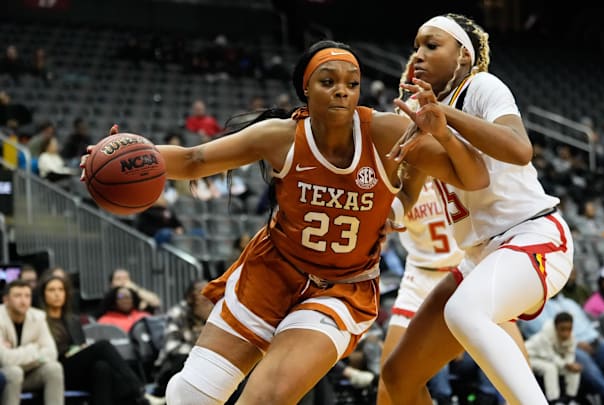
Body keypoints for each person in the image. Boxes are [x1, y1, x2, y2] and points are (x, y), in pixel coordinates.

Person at [81, 39, 487, 404]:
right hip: (271, 273)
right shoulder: (280, 136)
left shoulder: (385, 131)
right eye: (328, 81)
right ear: (306, 90)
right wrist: (121, 153)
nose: (343, 90)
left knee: (265, 399)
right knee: (190, 395)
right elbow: (193, 160)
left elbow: (473, 177)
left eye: (352, 81)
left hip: (340, 290)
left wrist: (445, 138)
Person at [379, 13, 574, 405]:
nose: (417, 55)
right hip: (478, 255)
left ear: (464, 58)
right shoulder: (418, 114)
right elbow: (409, 195)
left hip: (532, 234)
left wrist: (446, 117)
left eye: (431, 46)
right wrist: (385, 218)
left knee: (464, 312)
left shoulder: (480, 86)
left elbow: (520, 150)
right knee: (398, 378)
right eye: (415, 46)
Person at [376, 176, 466, 405]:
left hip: (466, 272)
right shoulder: (396, 175)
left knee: (515, 372)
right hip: (419, 276)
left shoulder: (456, 165)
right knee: (389, 386)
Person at [38, 274, 152, 405]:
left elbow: (80, 344)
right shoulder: (39, 319)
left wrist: (80, 349)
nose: (57, 294)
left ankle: (134, 394)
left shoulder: (73, 320)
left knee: (101, 368)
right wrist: (72, 350)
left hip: (77, 369)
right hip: (55, 369)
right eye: (51, 290)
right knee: (103, 346)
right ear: (43, 294)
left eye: (60, 289)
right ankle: (139, 391)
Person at [519, 292, 604, 404]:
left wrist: (598, 341)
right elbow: (548, 337)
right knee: (581, 358)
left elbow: (588, 325)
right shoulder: (534, 308)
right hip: (566, 349)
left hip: (594, 342)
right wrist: (576, 343)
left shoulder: (570, 303)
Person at [0, 280, 64, 404]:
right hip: (5, 375)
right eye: (18, 296)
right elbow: (4, 360)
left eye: (27, 296)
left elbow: (52, 353)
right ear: (6, 300)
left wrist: (20, 355)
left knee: (54, 368)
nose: (23, 301)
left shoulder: (38, 317)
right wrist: (34, 349)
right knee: (14, 372)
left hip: (29, 375)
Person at [153, 279, 213, 398]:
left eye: (209, 291)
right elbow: (172, 347)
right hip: (172, 367)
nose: (207, 295)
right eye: (202, 292)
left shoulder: (212, 313)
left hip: (200, 366)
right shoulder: (177, 313)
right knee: (184, 358)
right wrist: (200, 353)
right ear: (190, 297)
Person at [525, 312, 582, 405]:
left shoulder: (571, 337)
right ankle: (554, 401)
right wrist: (566, 364)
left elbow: (569, 355)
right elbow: (550, 356)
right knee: (550, 368)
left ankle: (570, 399)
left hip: (550, 360)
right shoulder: (545, 334)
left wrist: (570, 364)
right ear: (555, 327)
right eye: (562, 329)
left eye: (569, 329)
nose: (566, 333)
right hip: (530, 357)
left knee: (574, 370)